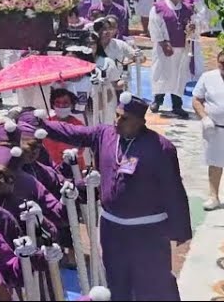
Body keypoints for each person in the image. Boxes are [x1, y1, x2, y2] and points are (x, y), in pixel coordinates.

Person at [31, 94, 191, 301]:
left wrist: (180, 229)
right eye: (116, 115)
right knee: (116, 281)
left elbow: (173, 190)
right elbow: (73, 133)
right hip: (112, 228)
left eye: (125, 118)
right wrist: (42, 125)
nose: (117, 121)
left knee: (154, 283)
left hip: (148, 232)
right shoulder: (104, 134)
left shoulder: (161, 147)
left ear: (141, 122)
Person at [149, 0, 202, 118]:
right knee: (162, 73)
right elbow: (154, 26)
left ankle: (177, 105)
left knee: (179, 76)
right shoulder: (159, 7)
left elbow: (194, 26)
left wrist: (192, 28)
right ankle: (157, 100)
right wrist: (162, 43)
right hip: (164, 47)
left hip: (182, 48)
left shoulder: (187, 9)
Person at [192, 50, 224, 211]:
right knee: (215, 163)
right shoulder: (208, 77)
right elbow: (197, 99)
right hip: (215, 128)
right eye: (221, 63)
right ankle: (214, 196)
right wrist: (204, 117)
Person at [42, 89, 85, 166]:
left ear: (72, 105)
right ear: (53, 105)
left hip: (75, 167)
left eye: (65, 103)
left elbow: (81, 147)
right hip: (52, 168)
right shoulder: (46, 124)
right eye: (57, 102)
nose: (61, 106)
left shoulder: (78, 125)